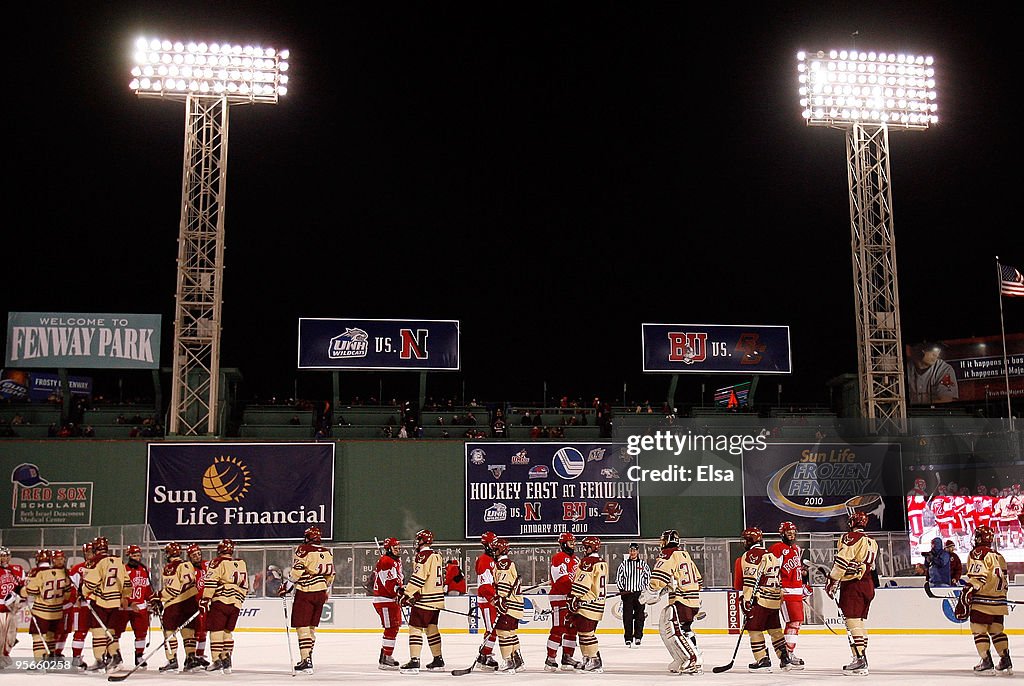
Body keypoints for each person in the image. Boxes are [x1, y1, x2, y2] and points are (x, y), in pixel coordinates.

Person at [824, 511, 879, 676]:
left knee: (852, 622)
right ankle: (861, 657)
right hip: (868, 584)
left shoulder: (851, 537)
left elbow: (842, 561)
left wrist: (832, 580)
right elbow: (869, 566)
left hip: (853, 585)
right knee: (860, 623)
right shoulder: (872, 541)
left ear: (851, 523)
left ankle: (860, 660)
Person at [642, 529, 703, 674]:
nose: (661, 543)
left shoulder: (668, 554)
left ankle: (692, 660)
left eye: (662, 540)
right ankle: (683, 658)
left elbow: (658, 578)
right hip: (694, 600)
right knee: (685, 630)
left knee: (674, 631)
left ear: (667, 541)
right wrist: (668, 588)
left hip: (681, 600)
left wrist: (650, 591)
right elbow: (699, 581)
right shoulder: (685, 555)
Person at [957, 525, 1012, 674]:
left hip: (983, 600)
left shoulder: (978, 553)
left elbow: (978, 577)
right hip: (999, 600)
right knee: (997, 631)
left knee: (979, 630)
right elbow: (1004, 579)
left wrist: (968, 590)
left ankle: (986, 661)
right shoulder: (998, 555)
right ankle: (1005, 659)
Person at [280, 525, 335, 674]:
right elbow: (331, 575)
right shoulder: (327, 552)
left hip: (306, 591)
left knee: (302, 626)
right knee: (311, 627)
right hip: (321, 592)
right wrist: (326, 589)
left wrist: (288, 586)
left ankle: (306, 661)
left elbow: (297, 570)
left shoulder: (304, 549)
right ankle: (308, 657)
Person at [737, 527, 790, 673]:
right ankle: (785, 658)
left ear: (749, 540)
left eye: (745, 540)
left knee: (754, 630)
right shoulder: (771, 555)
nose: (743, 543)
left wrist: (747, 600)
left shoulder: (750, 555)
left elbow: (749, 580)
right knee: (775, 630)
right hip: (773, 600)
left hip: (759, 600)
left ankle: (762, 660)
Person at [400, 528, 446, 674]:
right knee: (432, 628)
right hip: (437, 599)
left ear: (421, 541)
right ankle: (438, 660)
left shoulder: (423, 556)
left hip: (425, 600)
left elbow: (420, 577)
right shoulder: (437, 555)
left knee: (415, 628)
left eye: (418, 539)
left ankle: (414, 661)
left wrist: (407, 594)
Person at [81, 536, 130, 672]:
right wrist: (124, 595)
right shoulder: (118, 560)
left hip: (100, 601)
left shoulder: (95, 561)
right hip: (115, 602)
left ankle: (99, 660)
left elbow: (91, 583)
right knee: (111, 631)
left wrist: (83, 592)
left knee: (98, 632)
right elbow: (127, 583)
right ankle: (115, 656)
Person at [150, 541, 200, 673]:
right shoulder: (188, 564)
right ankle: (191, 659)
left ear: (168, 554)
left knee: (169, 632)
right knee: (189, 632)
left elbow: (173, 590)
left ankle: (172, 660)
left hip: (175, 604)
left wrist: (158, 596)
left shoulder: (170, 567)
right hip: (191, 602)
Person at [200, 539, 248, 674]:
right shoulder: (241, 563)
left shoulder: (217, 562)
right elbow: (245, 586)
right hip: (236, 603)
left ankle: (216, 661)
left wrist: (205, 599)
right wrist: (239, 599)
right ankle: (227, 661)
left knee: (216, 631)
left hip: (221, 601)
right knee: (227, 632)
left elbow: (210, 581)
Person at [769, 521, 808, 669]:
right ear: (782, 534)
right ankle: (787, 655)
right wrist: (777, 587)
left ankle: (788, 654)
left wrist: (803, 577)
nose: (791, 535)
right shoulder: (777, 548)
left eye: (793, 533)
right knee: (793, 622)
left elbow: (795, 570)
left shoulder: (797, 549)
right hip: (786, 591)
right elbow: (772, 569)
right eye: (788, 533)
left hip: (797, 591)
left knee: (797, 622)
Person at [567, 535, 608, 673]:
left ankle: (594, 660)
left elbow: (583, 582)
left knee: (587, 633)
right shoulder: (602, 562)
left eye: (586, 547)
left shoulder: (588, 562)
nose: (584, 550)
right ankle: (588, 659)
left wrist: (573, 596)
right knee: (584, 633)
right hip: (597, 603)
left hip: (587, 603)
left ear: (591, 548)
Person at [20, 549, 69, 663]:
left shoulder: (37, 572)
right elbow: (67, 594)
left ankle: (39, 662)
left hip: (41, 611)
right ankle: (51, 659)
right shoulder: (61, 573)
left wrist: (20, 591)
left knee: (38, 637)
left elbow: (31, 590)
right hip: (57, 612)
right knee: (51, 637)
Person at [544, 532, 581, 671]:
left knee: (572, 628)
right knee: (559, 628)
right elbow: (561, 580)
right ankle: (550, 659)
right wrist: (572, 593)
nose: (573, 545)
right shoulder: (558, 558)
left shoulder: (577, 560)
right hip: (559, 598)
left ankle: (567, 658)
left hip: (572, 598)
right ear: (564, 544)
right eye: (571, 543)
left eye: (574, 543)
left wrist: (579, 593)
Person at [491, 538, 526, 673]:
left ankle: (508, 662)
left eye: (496, 549)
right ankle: (517, 660)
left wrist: (500, 598)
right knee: (511, 633)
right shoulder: (508, 563)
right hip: (516, 603)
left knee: (503, 632)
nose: (494, 551)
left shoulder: (503, 564)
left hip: (508, 604)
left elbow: (504, 583)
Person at [370, 537, 404, 670]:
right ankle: (385, 659)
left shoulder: (394, 561)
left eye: (398, 548)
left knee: (394, 627)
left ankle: (385, 655)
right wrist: (399, 591)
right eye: (395, 548)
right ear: (388, 549)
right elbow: (389, 584)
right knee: (390, 628)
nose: (398, 550)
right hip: (385, 600)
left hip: (390, 600)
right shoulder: (386, 561)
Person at [614, 542, 650, 648]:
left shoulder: (643, 565)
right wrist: (622, 590)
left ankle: (638, 636)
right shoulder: (624, 564)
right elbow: (619, 578)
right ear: (629, 551)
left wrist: (645, 592)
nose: (632, 552)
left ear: (638, 551)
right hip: (628, 594)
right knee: (627, 617)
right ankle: (628, 638)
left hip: (639, 594)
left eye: (634, 550)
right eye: (631, 550)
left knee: (640, 616)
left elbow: (647, 578)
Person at [473, 531, 501, 671]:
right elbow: (484, 586)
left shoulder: (491, 560)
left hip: (490, 599)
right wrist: (493, 598)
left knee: (493, 629)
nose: (496, 546)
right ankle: (484, 657)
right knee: (491, 629)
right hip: (486, 600)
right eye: (493, 543)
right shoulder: (485, 560)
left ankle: (485, 655)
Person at [64, 542, 93, 670]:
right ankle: (76, 658)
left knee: (100, 633)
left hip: (99, 604)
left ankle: (104, 657)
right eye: (87, 552)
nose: (90, 555)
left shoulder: (102, 566)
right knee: (80, 632)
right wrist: (75, 598)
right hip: (82, 605)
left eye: (92, 552)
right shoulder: (77, 569)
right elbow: (72, 588)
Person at [124, 545, 154, 668]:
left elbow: (147, 589)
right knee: (115, 632)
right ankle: (113, 656)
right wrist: (129, 602)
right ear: (129, 556)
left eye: (138, 555)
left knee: (141, 633)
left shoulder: (144, 570)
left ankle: (139, 655)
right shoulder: (123, 569)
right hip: (124, 607)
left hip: (140, 607)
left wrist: (151, 600)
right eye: (134, 555)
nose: (137, 558)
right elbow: (120, 588)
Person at [0, 545, 26, 669]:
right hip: (0, 609)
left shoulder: (17, 569)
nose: (4, 558)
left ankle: (5, 655)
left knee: (11, 636)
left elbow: (23, 586)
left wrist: (20, 598)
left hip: (12, 610)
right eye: (1, 556)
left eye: (6, 556)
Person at [186, 543, 211, 667]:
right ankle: (190, 656)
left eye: (198, 554)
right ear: (189, 556)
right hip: (194, 605)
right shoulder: (188, 569)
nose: (197, 557)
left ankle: (199, 655)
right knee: (194, 632)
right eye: (194, 555)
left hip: (207, 604)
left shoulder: (207, 565)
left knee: (203, 631)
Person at [906, 477, 929, 551]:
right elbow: (920, 503)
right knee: (917, 532)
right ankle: (913, 548)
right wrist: (925, 506)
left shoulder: (911, 491)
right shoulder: (918, 492)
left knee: (914, 531)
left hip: (910, 514)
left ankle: (913, 547)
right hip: (915, 514)